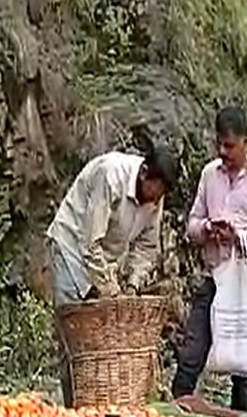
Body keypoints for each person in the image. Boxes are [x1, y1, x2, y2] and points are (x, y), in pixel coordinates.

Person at [47, 140, 178, 402]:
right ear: (144, 174)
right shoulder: (111, 175)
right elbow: (89, 242)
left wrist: (131, 285)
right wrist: (109, 289)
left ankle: (101, 404)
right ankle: (76, 407)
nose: (156, 200)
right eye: (155, 192)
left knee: (102, 339)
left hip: (106, 260)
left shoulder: (155, 198)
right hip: (72, 249)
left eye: (161, 195)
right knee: (74, 337)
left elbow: (146, 246)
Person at [172, 106, 247, 411]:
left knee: (243, 365)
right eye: (219, 144)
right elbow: (192, 226)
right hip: (214, 277)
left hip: (244, 282)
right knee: (191, 352)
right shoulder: (210, 175)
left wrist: (239, 238)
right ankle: (178, 414)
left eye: (230, 145)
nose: (223, 151)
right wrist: (207, 229)